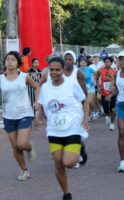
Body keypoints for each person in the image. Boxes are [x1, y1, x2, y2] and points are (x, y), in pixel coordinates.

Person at [37, 56, 89, 200]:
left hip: (72, 128)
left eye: (57, 70)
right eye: (51, 70)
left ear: (63, 69)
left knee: (68, 163)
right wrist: (38, 117)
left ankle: (80, 148)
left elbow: (84, 101)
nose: (54, 72)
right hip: (54, 129)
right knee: (58, 162)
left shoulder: (71, 84)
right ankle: (66, 194)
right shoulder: (45, 87)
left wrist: (85, 118)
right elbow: (42, 106)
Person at [0, 51, 39, 180]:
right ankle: (24, 170)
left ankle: (29, 147)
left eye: (12, 59)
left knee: (21, 144)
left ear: (18, 63)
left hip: (24, 114)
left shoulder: (24, 76)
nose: (10, 61)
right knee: (15, 147)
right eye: (7, 59)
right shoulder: (1, 78)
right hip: (8, 116)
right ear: (4, 63)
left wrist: (37, 101)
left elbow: (36, 87)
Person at [95, 56, 117, 131]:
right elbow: (96, 78)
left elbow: (116, 82)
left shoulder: (114, 71)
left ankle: (112, 124)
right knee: (105, 109)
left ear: (111, 63)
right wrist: (98, 86)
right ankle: (107, 117)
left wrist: (113, 86)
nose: (107, 63)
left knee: (113, 109)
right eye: (106, 62)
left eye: (109, 62)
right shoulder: (100, 70)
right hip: (103, 93)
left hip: (112, 93)